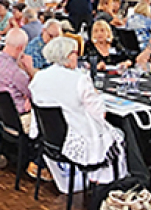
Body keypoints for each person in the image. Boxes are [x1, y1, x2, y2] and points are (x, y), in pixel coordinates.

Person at [29, 36, 126, 184]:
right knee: (118, 136)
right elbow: (100, 113)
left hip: (50, 138)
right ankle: (108, 182)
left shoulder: (38, 77)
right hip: (77, 138)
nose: (78, 56)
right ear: (68, 56)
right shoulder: (79, 79)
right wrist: (95, 93)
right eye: (76, 53)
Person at [0, 28, 34, 130]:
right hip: (19, 116)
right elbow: (34, 93)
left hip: (2, 113)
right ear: (20, 48)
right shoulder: (16, 72)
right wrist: (30, 69)